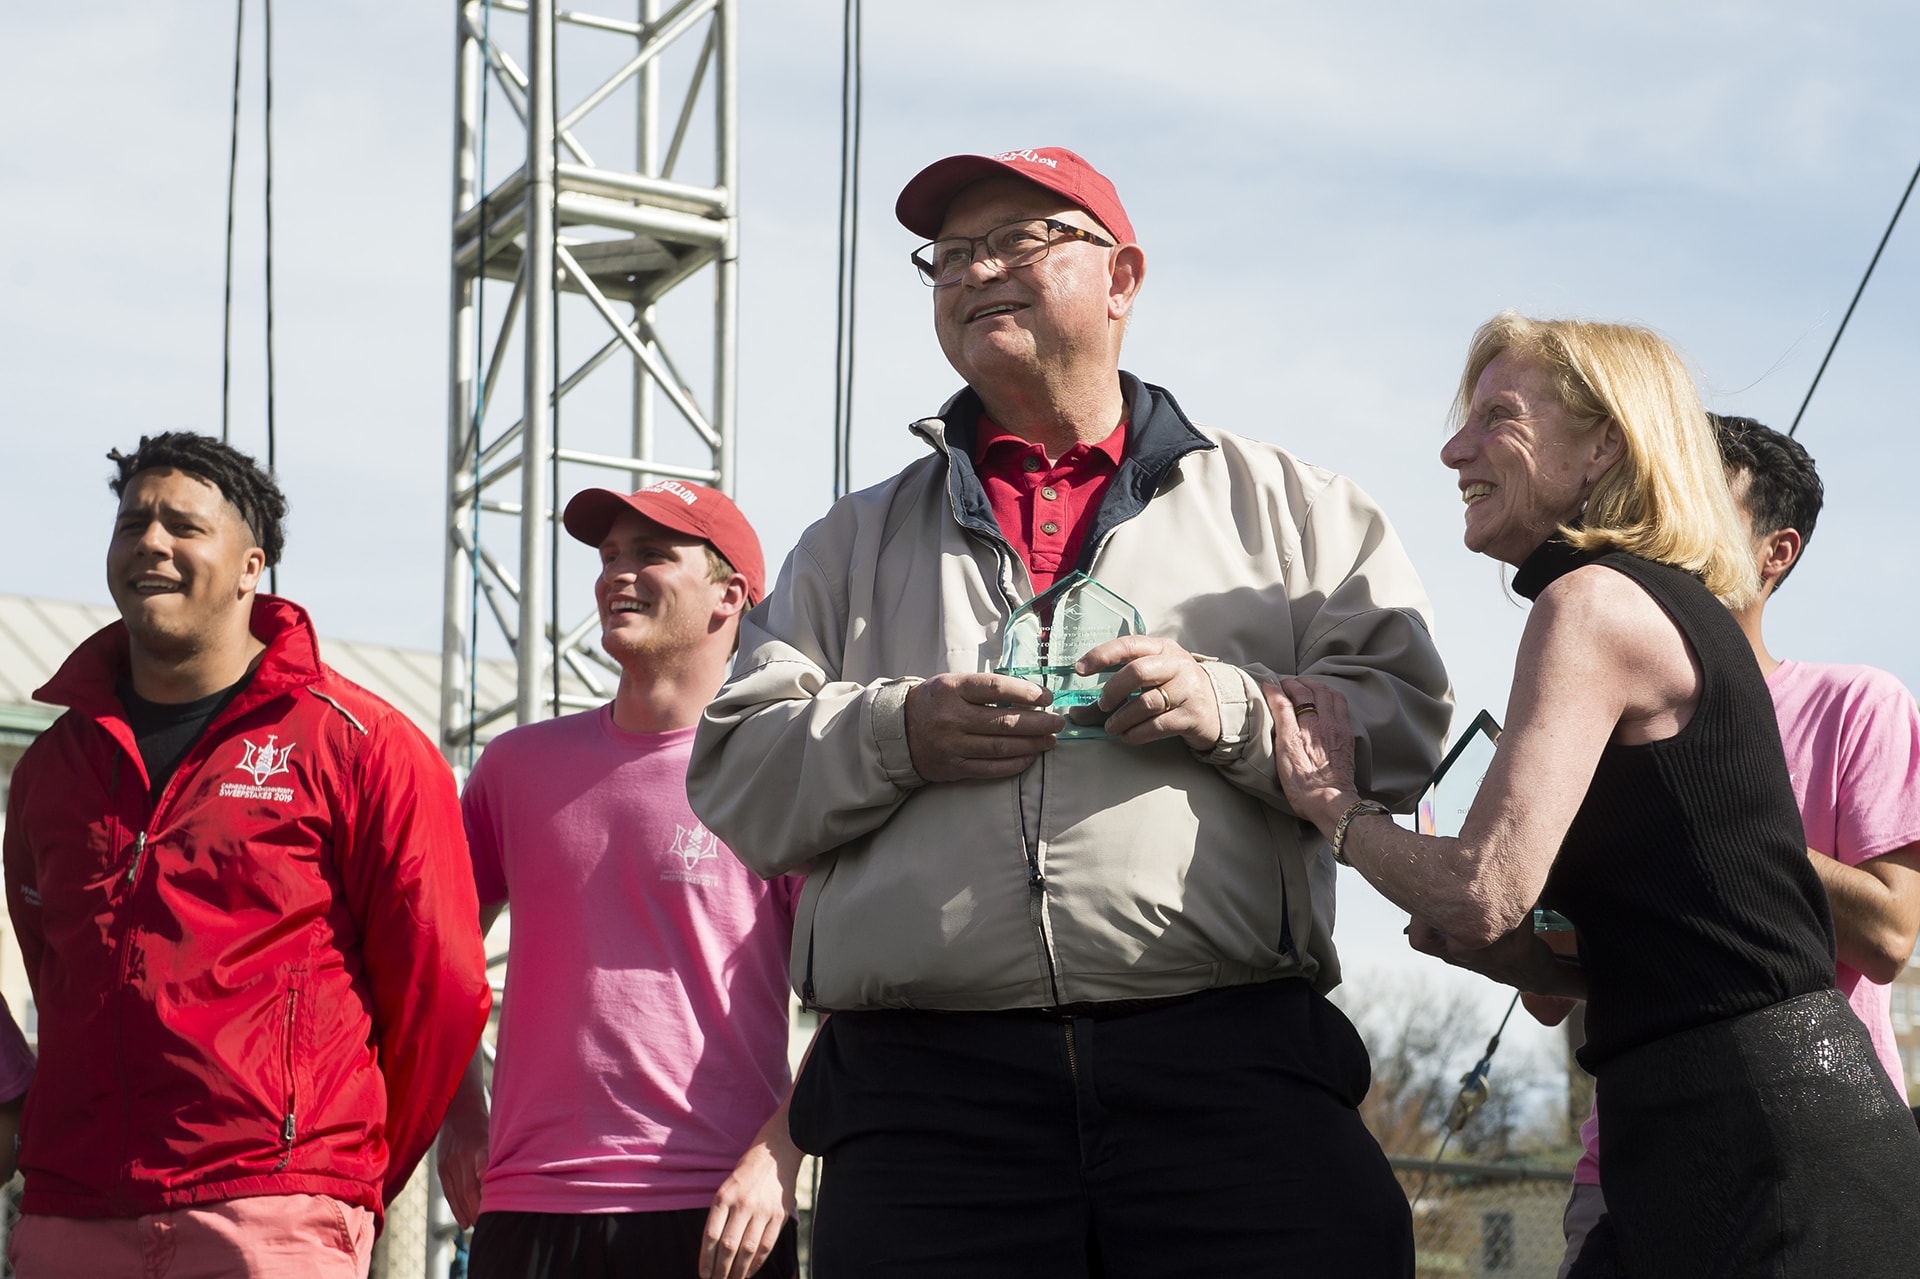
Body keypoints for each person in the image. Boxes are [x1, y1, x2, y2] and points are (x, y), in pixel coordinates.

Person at [687, 145, 1452, 1277]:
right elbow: (737, 772)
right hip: (924, 1104)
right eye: (949, 255)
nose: (976, 270)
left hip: (1228, 1070)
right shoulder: (847, 544)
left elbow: (1402, 725)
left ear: (1123, 277)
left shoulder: (1295, 508)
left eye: (1019, 241)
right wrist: (900, 732)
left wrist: (1231, 709)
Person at [1270, 314, 1920, 1277]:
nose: (1455, 448)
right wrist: (1509, 954)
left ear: (1606, 442)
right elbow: (1682, 952)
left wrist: (1334, 807)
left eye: (1498, 416)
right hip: (1693, 1132)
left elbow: (1478, 887)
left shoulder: (1594, 604)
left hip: (1764, 1142)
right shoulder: (1653, 606)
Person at [2, 432, 492, 1277]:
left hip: (271, 1214)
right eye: (132, 524)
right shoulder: (52, 767)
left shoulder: (363, 743)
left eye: (183, 526)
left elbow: (439, 987)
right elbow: (55, 966)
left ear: (250, 566)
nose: (151, 542)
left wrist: (330, 1170)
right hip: (71, 1206)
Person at [1544, 414, 1920, 1275]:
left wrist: (1711, 805)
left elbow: (1891, 934)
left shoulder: (1858, 703)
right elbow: (1553, 988)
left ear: (1775, 552)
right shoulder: (1602, 721)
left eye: (1701, 506)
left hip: (1817, 1147)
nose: (1666, 529)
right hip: (1628, 1156)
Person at [437, 480, 803, 1279]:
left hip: (719, 1217)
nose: (615, 574)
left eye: (651, 554)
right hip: (529, 1206)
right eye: (608, 556)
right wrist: (460, 1108)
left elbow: (861, 1000)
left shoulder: (782, 771)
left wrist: (782, 1152)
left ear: (729, 596)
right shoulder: (515, 767)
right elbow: (439, 947)